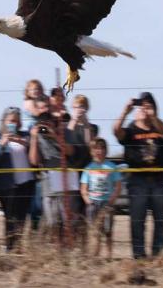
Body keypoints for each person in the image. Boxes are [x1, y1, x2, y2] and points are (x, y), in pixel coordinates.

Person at [113, 92, 163, 259]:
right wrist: (125, 111)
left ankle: (158, 254)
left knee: (160, 220)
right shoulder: (131, 129)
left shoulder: (159, 127)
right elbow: (116, 132)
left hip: (159, 179)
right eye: (142, 106)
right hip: (138, 181)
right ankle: (139, 255)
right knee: (137, 220)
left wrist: (154, 118)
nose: (145, 109)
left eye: (149, 106)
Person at [0, 107, 35, 252]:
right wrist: (2, 144)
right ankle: (9, 245)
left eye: (16, 120)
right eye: (10, 121)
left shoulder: (26, 136)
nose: (13, 123)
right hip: (7, 184)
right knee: (10, 216)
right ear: (4, 121)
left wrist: (26, 143)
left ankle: (18, 245)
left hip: (26, 182)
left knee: (22, 217)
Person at [29, 111, 77, 243]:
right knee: (52, 221)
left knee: (67, 219)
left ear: (54, 123)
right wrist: (33, 138)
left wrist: (54, 135)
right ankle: (55, 249)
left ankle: (68, 248)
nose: (44, 127)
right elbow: (34, 161)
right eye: (41, 125)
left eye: (47, 124)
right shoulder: (37, 137)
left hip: (66, 182)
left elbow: (70, 151)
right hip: (48, 182)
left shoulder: (64, 132)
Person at [65, 94, 99, 248]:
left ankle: (84, 246)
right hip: (71, 173)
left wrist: (84, 124)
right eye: (77, 106)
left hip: (87, 174)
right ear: (72, 108)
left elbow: (89, 145)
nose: (80, 109)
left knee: (85, 212)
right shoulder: (67, 126)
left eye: (83, 106)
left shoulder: (92, 127)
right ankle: (72, 245)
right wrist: (73, 120)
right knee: (72, 210)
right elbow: (66, 140)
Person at [80, 138, 122, 259]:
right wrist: (89, 202)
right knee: (95, 231)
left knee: (108, 231)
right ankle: (96, 255)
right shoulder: (88, 169)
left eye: (102, 148)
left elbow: (118, 187)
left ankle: (109, 256)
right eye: (96, 148)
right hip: (93, 203)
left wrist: (111, 201)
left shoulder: (112, 167)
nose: (99, 151)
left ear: (106, 150)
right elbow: (83, 189)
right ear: (92, 151)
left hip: (107, 203)